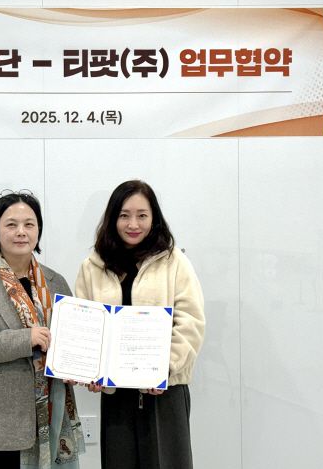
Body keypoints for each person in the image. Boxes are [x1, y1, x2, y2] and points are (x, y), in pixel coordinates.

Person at [0, 190, 84, 469]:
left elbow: (74, 338)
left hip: (51, 412)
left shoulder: (55, 281)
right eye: (11, 224)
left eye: (29, 224)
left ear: (38, 230)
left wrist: (78, 366)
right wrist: (26, 339)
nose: (21, 231)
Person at [75, 180, 205, 469]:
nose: (133, 224)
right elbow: (85, 326)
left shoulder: (174, 262)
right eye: (124, 215)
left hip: (164, 391)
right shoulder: (92, 266)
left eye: (142, 215)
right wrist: (90, 369)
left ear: (154, 218)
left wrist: (165, 367)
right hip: (116, 395)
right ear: (113, 218)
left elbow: (191, 321)